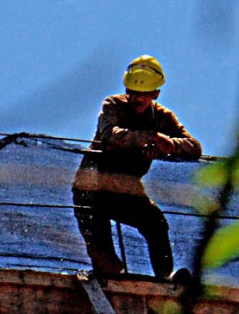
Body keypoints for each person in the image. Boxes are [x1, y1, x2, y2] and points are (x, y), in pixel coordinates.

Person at [72, 55, 202, 280]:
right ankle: (107, 277)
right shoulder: (113, 105)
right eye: (133, 92)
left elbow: (194, 147)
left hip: (125, 190)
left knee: (155, 223)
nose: (137, 99)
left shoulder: (162, 117)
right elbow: (110, 135)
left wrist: (170, 145)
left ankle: (165, 276)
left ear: (155, 94)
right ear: (126, 88)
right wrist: (149, 138)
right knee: (106, 263)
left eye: (144, 94)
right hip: (91, 188)